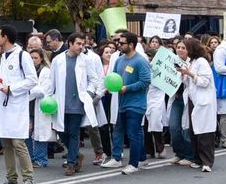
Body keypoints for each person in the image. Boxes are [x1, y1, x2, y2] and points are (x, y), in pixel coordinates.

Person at [46, 33, 103, 176]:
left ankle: (71, 163)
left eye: (82, 44)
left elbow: (93, 80)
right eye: (78, 44)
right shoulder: (58, 60)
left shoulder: (85, 60)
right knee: (60, 130)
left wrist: (88, 94)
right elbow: (51, 82)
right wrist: (49, 97)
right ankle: (77, 155)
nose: (81, 47)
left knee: (73, 133)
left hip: (78, 103)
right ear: (70, 43)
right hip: (60, 102)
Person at [0, 24, 38, 184]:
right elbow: (1, 76)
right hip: (4, 106)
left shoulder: (22, 56)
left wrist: (12, 88)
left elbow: (32, 80)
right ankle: (11, 179)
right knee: (6, 143)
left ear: (6, 38)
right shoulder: (4, 57)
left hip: (17, 106)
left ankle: (29, 179)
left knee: (18, 143)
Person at [110, 32, 151, 174]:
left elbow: (145, 81)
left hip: (136, 104)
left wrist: (127, 88)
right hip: (122, 103)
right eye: (118, 42)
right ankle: (142, 157)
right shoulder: (119, 60)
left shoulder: (140, 61)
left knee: (133, 133)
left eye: (122, 43)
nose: (118, 45)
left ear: (131, 45)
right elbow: (114, 77)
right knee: (132, 132)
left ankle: (133, 164)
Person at [177, 37, 218, 172]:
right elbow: (188, 82)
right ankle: (198, 158)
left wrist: (188, 73)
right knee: (194, 130)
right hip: (193, 99)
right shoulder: (191, 62)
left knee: (205, 132)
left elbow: (204, 82)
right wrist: (184, 74)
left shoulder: (202, 62)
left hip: (203, 100)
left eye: (185, 48)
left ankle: (207, 161)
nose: (183, 51)